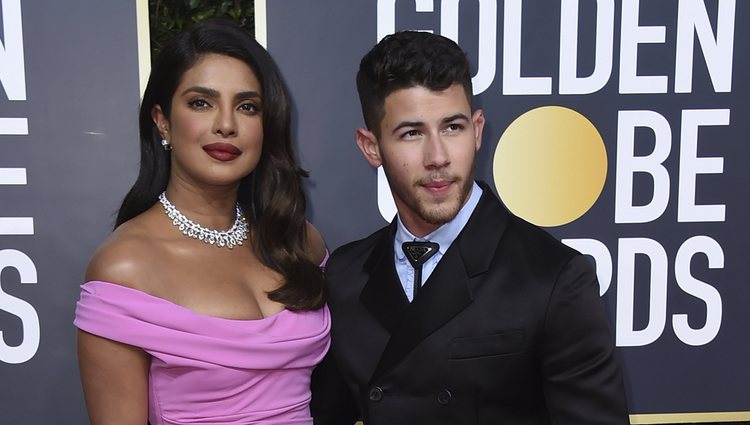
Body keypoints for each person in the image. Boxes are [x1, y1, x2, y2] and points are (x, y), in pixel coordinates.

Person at [311, 31, 629, 424]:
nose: (438, 157)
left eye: (452, 127)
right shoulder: (346, 275)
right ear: (371, 146)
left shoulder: (554, 279)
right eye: (412, 133)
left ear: (477, 130)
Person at [74, 20, 329, 425]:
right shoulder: (125, 269)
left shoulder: (298, 242)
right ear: (162, 121)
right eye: (201, 102)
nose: (226, 124)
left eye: (247, 106)